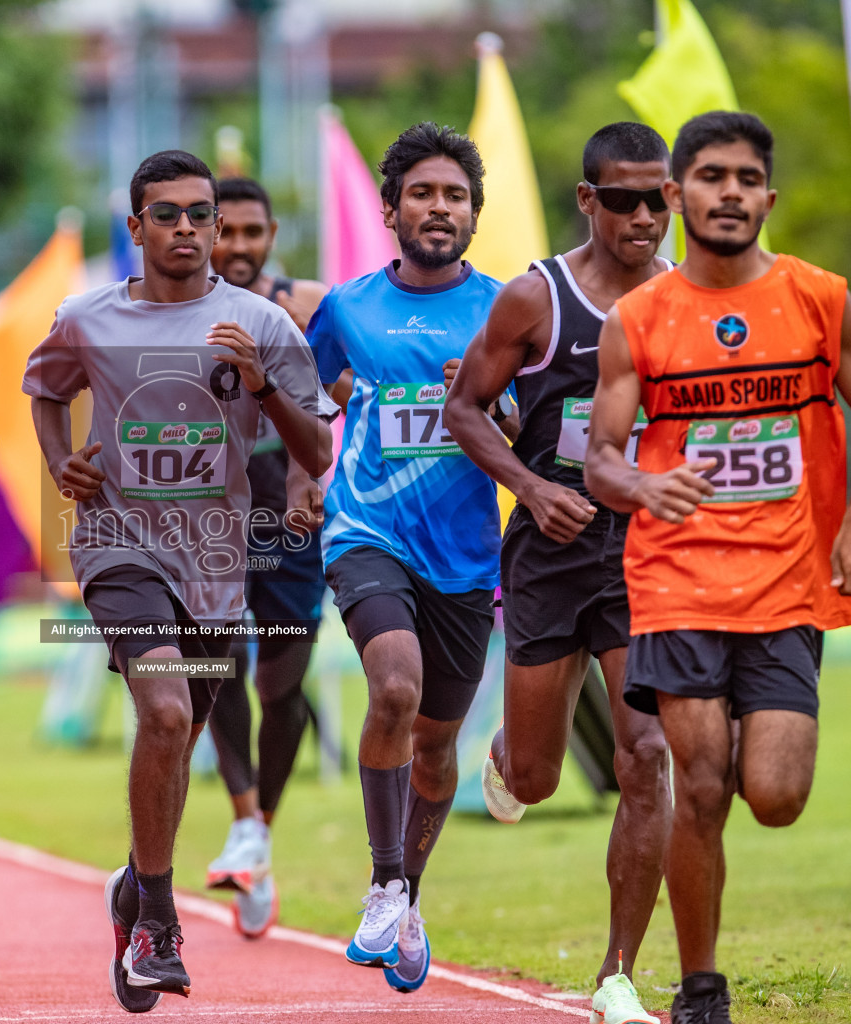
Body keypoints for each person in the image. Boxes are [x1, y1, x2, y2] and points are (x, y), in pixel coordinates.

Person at [584, 111, 851, 1024]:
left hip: (790, 578)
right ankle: (701, 982)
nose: (729, 191)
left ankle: (703, 961)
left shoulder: (817, 297)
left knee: (777, 796)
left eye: (746, 177)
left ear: (768, 195)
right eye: (710, 176)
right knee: (703, 781)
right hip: (676, 580)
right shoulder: (639, 318)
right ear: (678, 194)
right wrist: (644, 484)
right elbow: (601, 456)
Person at [24, 151, 336, 1011]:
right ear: (136, 227)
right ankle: (158, 922)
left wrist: (265, 385)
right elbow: (44, 390)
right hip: (118, 545)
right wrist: (61, 465)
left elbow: (318, 452)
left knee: (182, 730)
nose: (191, 229)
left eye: (201, 214)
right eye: (169, 215)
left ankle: (134, 883)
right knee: (163, 710)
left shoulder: (262, 323)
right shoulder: (87, 318)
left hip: (214, 560)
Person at [443, 121, 675, 1024]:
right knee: (538, 779)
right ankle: (506, 756)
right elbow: (465, 410)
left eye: (660, 198)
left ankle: (617, 974)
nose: (646, 215)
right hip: (547, 555)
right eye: (625, 199)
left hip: (642, 556)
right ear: (589, 200)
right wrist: (533, 488)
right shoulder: (534, 300)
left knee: (645, 754)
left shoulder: (680, 301)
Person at [309, 122, 511, 994]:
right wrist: (305, 478)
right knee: (393, 687)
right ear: (390, 208)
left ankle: (406, 893)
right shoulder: (346, 308)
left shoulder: (509, 309)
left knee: (436, 749)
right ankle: (384, 878)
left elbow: (528, 426)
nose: (439, 208)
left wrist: (498, 425)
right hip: (368, 533)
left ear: (473, 213)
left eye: (455, 195)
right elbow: (314, 397)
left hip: (465, 556)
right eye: (422, 193)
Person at [202, 176, 331, 940]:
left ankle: (263, 831)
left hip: (291, 526)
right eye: (228, 232)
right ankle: (245, 824)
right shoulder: (184, 309)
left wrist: (305, 478)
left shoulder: (309, 307)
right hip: (205, 526)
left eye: (254, 232)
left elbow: (340, 393)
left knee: (283, 686)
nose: (241, 247)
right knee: (216, 675)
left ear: (273, 233)